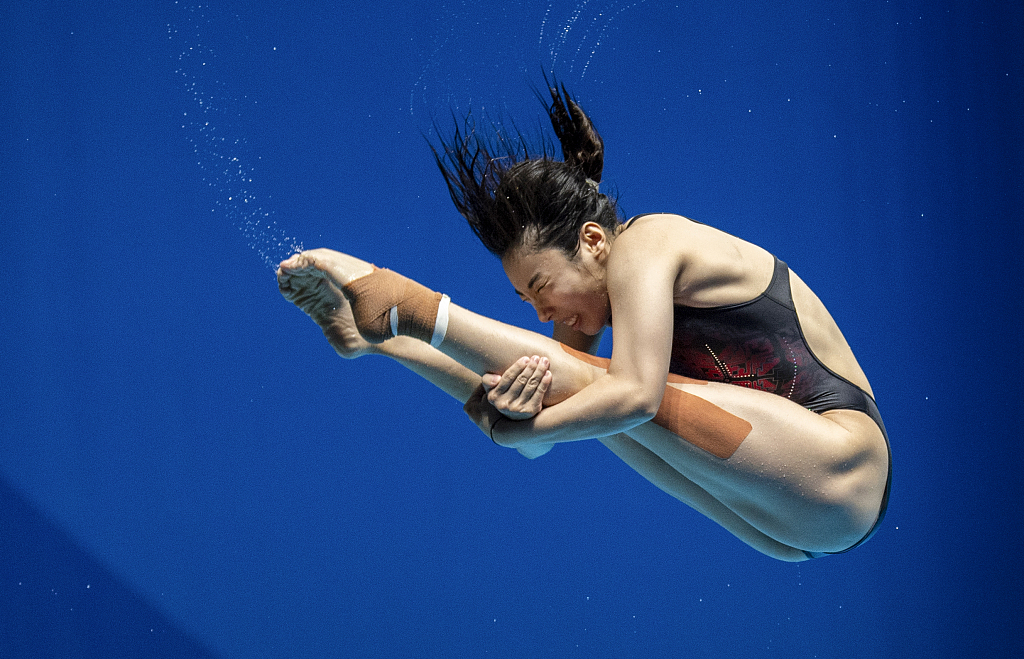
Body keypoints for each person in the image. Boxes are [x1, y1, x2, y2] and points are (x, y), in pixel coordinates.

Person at [276, 83, 891, 562]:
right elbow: (547, 408)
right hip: (785, 525)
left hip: (837, 467)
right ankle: (383, 340)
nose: (544, 312)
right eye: (527, 300)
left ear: (593, 240)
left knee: (615, 398)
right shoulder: (601, 294)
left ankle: (404, 306)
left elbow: (632, 395)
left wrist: (514, 433)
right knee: (578, 391)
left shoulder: (649, 242)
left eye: (541, 288)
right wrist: (518, 423)